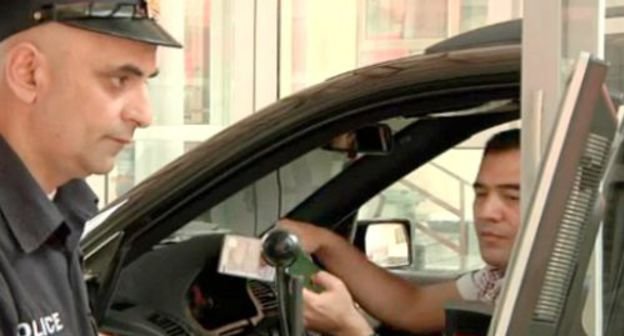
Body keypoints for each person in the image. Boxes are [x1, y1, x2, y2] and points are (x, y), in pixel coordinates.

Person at [0, 1, 181, 335]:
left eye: (146, 82)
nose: (144, 114)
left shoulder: (60, 210)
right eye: (119, 79)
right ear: (28, 74)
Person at [281, 128, 520, 335]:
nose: (487, 211)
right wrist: (325, 243)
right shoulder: (499, 278)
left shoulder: (550, 300)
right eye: (481, 194)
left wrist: (349, 329)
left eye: (512, 197)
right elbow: (411, 307)